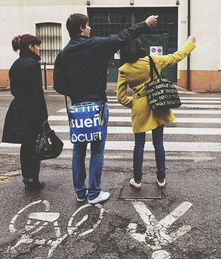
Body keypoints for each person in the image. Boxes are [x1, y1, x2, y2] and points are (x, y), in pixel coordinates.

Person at [53, 13, 158, 204]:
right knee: (97, 151)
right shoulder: (95, 45)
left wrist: (74, 93)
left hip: (78, 107)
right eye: (88, 25)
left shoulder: (63, 54)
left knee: (78, 150)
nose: (90, 28)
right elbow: (123, 36)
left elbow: (58, 86)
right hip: (97, 106)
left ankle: (80, 192)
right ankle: (94, 193)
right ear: (81, 29)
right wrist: (145, 24)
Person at [117, 36, 196, 189]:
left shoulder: (124, 69)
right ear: (139, 46)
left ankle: (137, 180)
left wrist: (134, 103)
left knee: (139, 144)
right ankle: (161, 178)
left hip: (139, 108)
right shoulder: (152, 60)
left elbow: (120, 98)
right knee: (158, 143)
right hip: (157, 103)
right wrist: (190, 43)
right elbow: (175, 57)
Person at [2, 34, 48, 191]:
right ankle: (33, 179)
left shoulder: (15, 64)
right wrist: (44, 115)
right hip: (32, 109)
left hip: (19, 107)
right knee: (34, 145)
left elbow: (14, 90)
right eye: (37, 45)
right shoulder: (33, 64)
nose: (39, 48)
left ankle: (26, 176)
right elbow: (37, 92)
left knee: (26, 145)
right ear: (30, 47)